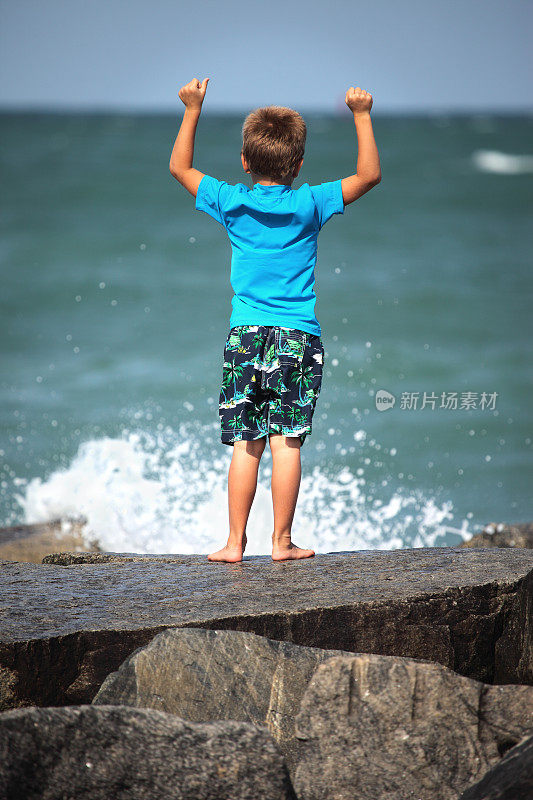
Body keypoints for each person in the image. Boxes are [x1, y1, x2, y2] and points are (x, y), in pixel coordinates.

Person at [169, 78, 381, 563]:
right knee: (287, 444)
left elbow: (179, 166)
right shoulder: (310, 202)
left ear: (245, 161)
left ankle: (233, 544)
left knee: (247, 444)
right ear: (299, 165)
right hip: (298, 337)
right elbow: (368, 175)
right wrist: (362, 115)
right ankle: (282, 542)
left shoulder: (229, 200)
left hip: (245, 336)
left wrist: (193, 108)